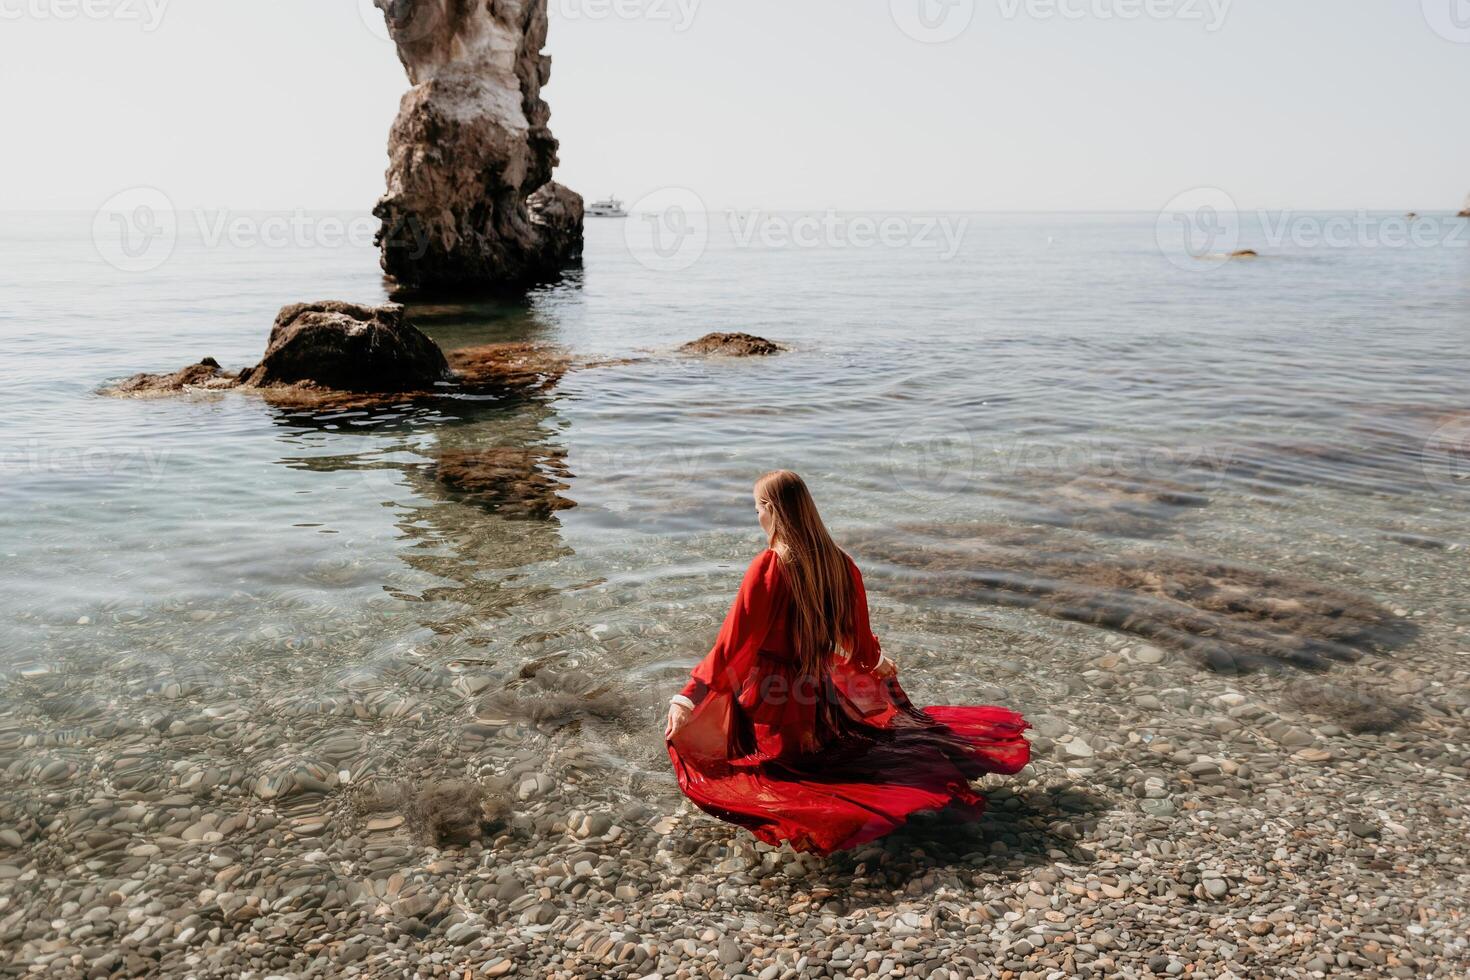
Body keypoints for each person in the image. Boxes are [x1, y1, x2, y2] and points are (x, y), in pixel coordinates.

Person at [664, 470, 1031, 855]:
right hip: (816, 691)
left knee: (778, 777)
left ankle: (856, 818)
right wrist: (878, 661)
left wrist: (689, 697)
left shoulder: (769, 566)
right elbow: (856, 639)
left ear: (771, 510)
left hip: (769, 697)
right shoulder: (839, 562)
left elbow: (733, 643)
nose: (756, 516)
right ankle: (906, 815)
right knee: (814, 762)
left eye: (757, 507)